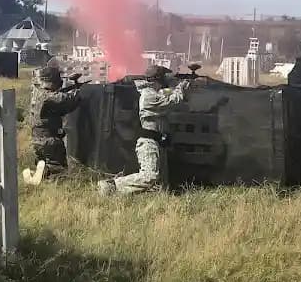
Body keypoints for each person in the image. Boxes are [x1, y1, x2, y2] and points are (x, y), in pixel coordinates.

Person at [98, 64, 190, 196]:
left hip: (158, 142)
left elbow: (165, 93)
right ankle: (112, 186)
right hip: (149, 143)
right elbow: (173, 100)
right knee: (150, 176)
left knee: (161, 187)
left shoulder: (153, 92)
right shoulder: (148, 96)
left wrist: (175, 87)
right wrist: (180, 88)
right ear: (157, 79)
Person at [24, 64, 81, 184]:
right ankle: (55, 196)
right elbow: (69, 101)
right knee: (59, 175)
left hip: (38, 140)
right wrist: (78, 91)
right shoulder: (48, 97)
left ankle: (37, 188)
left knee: (44, 171)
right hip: (49, 141)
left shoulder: (36, 92)